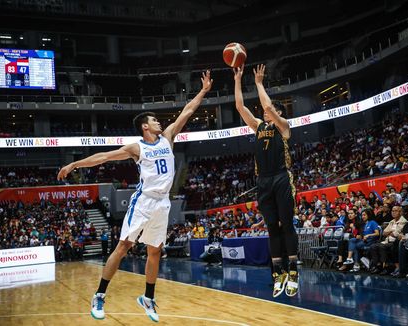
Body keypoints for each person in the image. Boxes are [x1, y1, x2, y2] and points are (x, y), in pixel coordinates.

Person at [57, 71, 213, 322]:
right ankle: (99, 295)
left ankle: (148, 298)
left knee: (155, 252)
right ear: (144, 126)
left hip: (163, 203)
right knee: (123, 247)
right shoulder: (136, 148)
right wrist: (75, 165)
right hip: (143, 202)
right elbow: (104, 156)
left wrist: (204, 91)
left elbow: (187, 111)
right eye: (154, 120)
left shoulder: (168, 138)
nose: (159, 123)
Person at [233, 64, 298, 297]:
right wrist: (238, 79)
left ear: (278, 114)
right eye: (264, 112)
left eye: (270, 112)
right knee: (271, 227)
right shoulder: (258, 127)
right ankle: (278, 271)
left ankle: (293, 271)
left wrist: (259, 83)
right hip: (263, 180)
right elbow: (240, 106)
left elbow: (268, 105)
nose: (265, 113)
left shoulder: (284, 127)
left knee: (286, 224)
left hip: (281, 177)